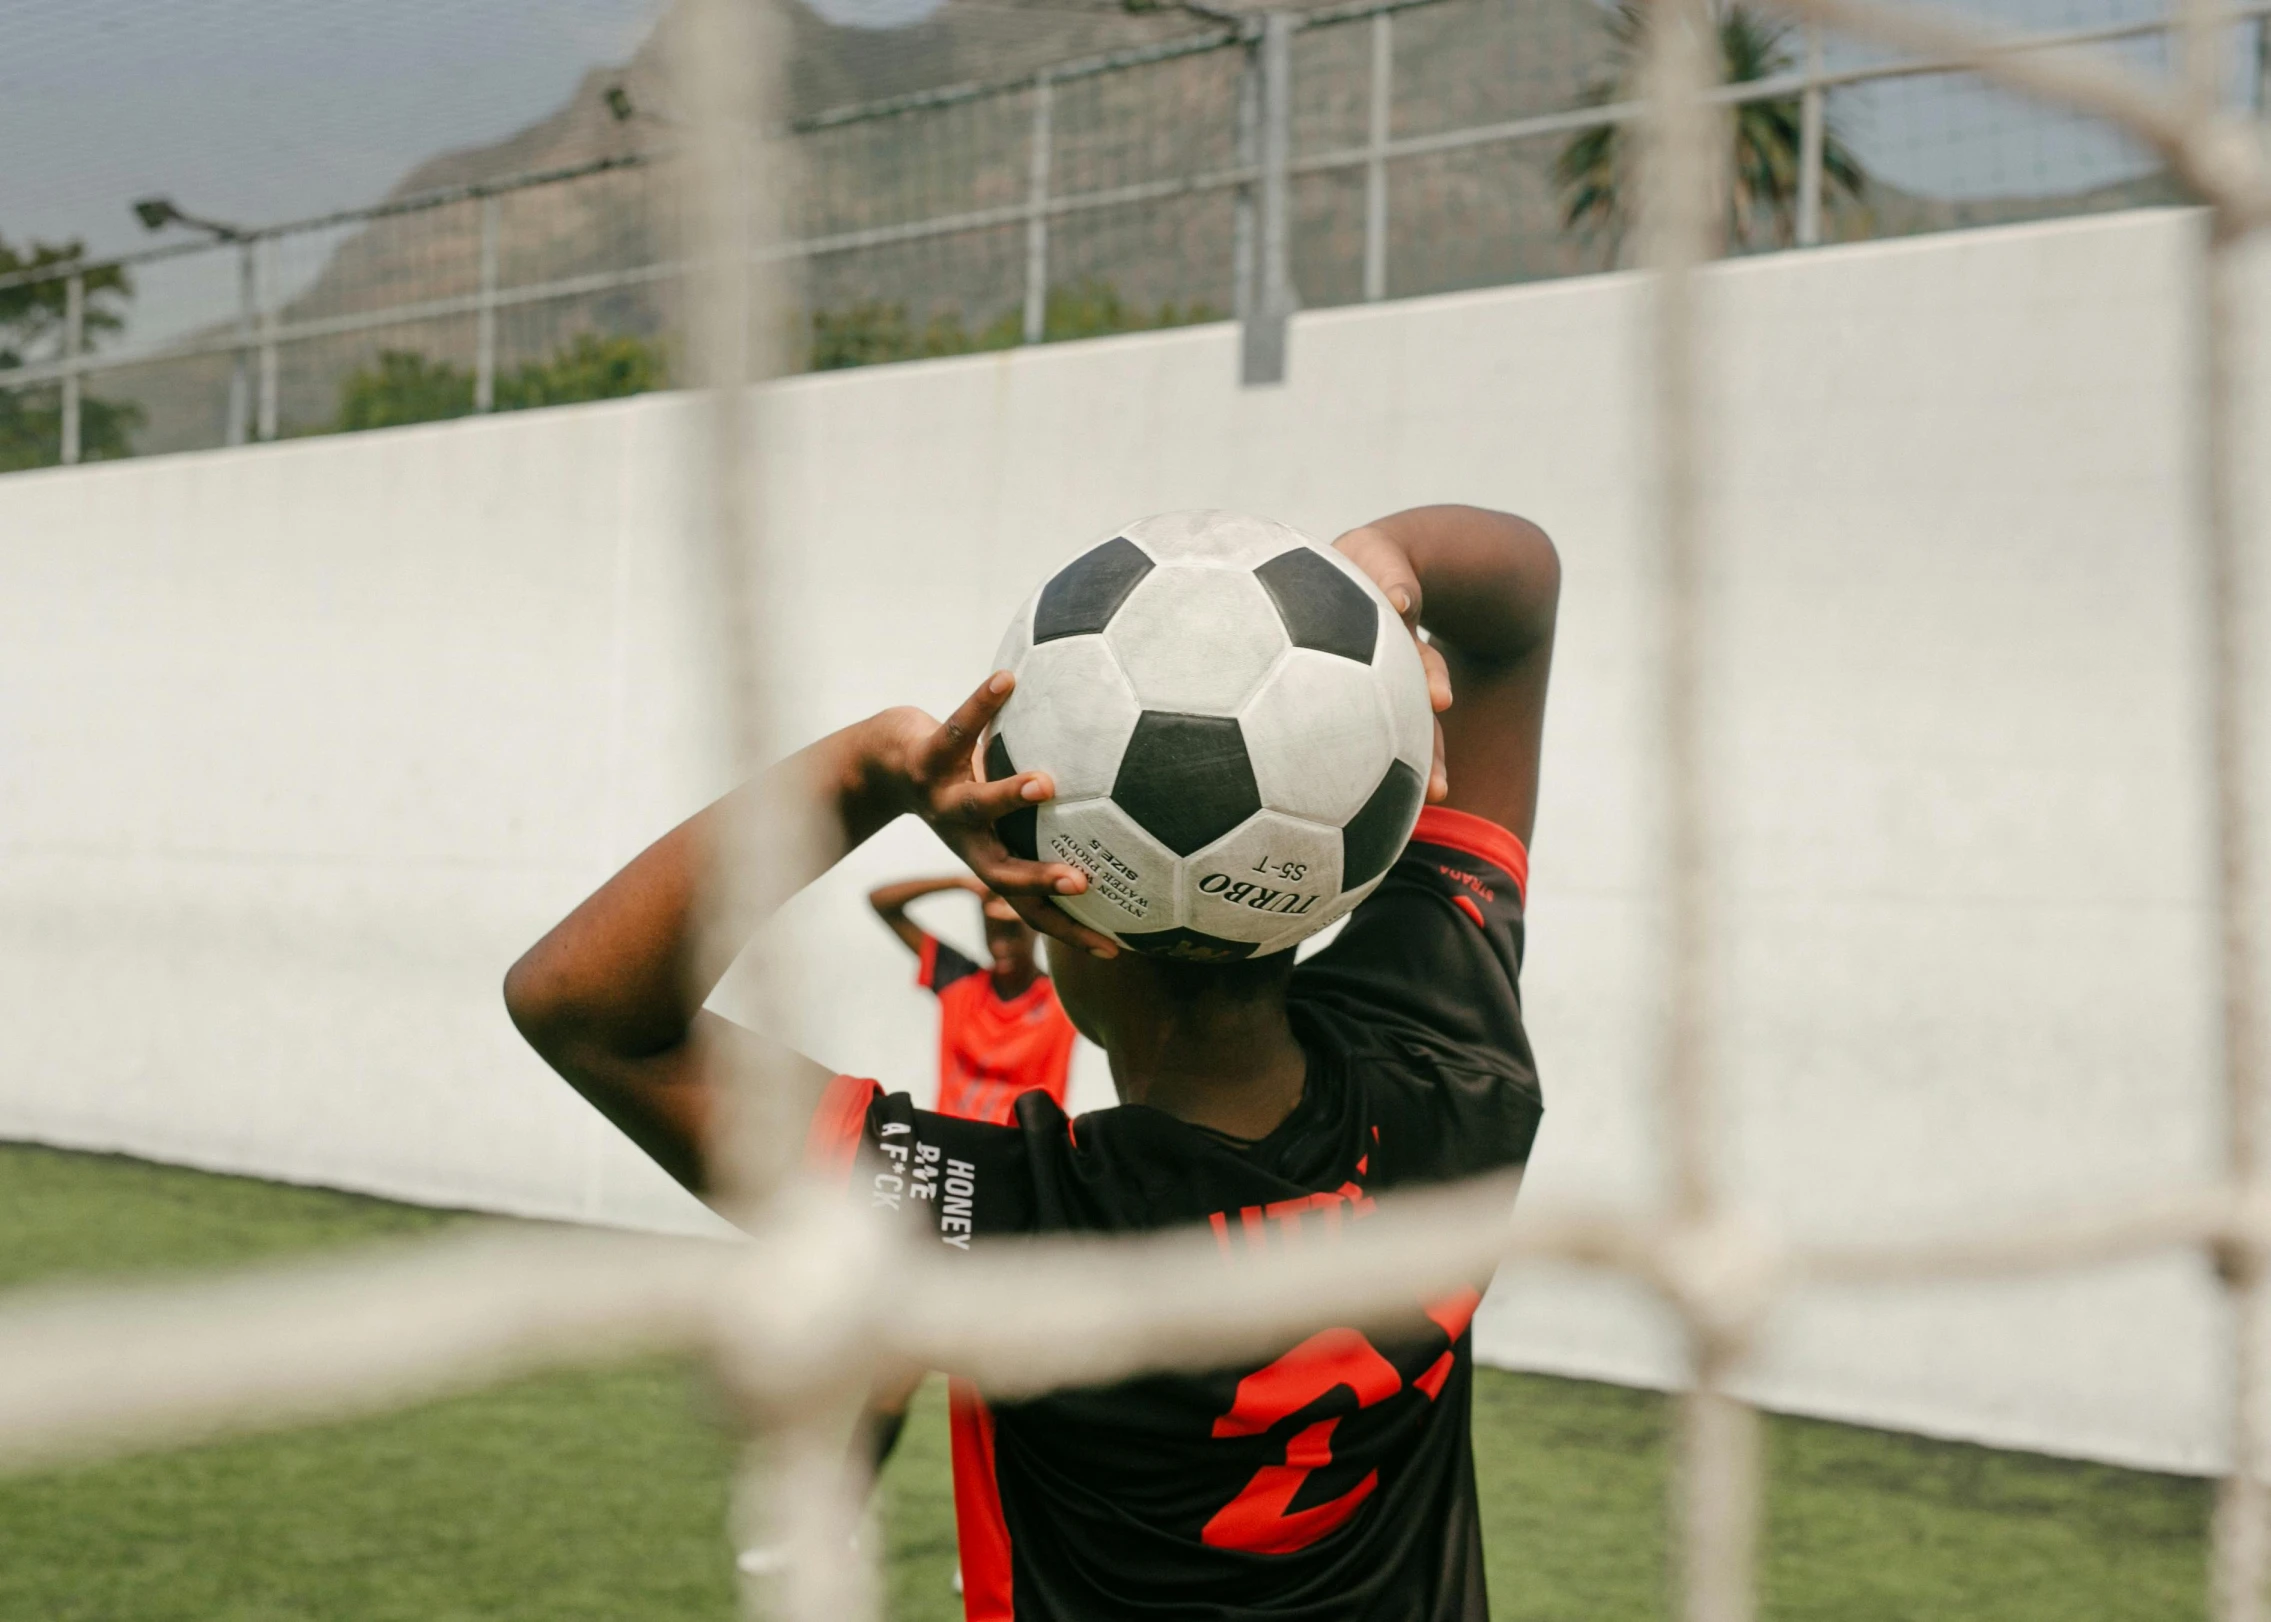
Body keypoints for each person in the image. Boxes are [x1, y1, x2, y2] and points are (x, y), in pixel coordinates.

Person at [503, 505, 1557, 1621]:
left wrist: (873, 771)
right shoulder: (1455, 1076)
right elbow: (1518, 601)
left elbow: (579, 1006)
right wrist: (1383, 568)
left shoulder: (1012, 1232)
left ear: (1066, 916)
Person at [868, 875, 1077, 1126]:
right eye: (991, 930)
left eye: (1011, 932)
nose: (1000, 946)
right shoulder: (959, 980)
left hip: (1026, 1154)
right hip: (953, 1146)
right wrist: (962, 882)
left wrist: (1045, 902)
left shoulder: (1063, 997)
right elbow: (882, 902)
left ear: (1035, 930)